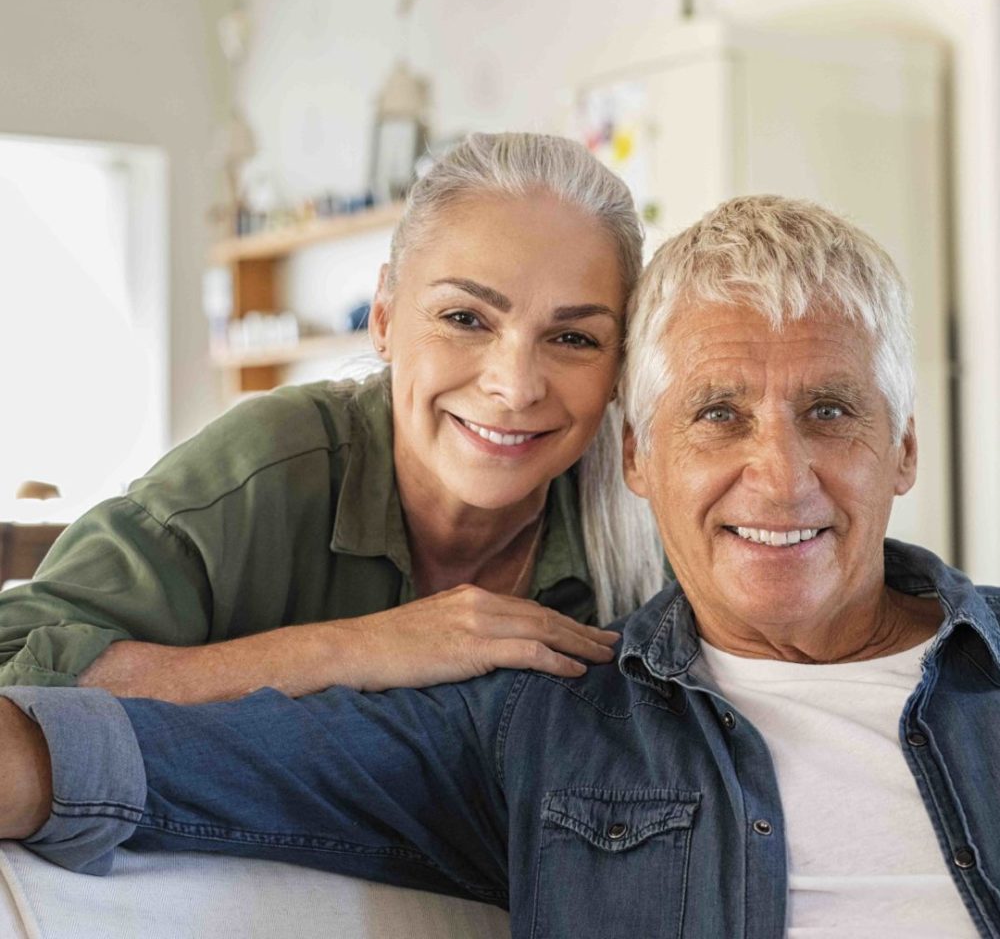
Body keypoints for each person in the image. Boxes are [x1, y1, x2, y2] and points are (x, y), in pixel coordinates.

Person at [1, 195, 996, 937]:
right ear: (638, 456)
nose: (779, 479)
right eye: (716, 414)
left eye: (829, 410)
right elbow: (127, 762)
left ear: (903, 448)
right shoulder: (545, 722)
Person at [0, 132, 664, 701]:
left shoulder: (649, 521)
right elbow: (14, 665)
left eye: (574, 338)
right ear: (383, 317)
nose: (516, 387)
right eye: (465, 319)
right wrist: (351, 650)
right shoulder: (268, 467)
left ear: (619, 367)